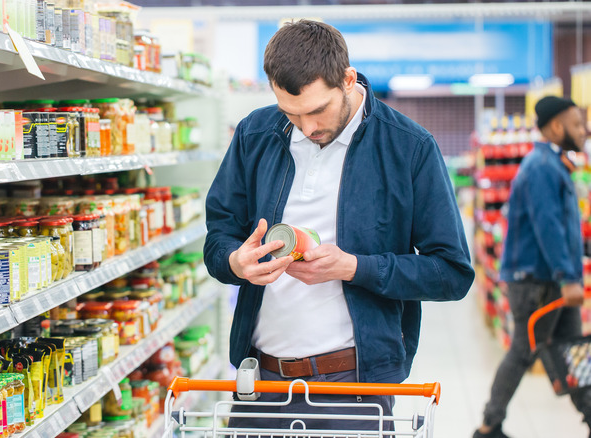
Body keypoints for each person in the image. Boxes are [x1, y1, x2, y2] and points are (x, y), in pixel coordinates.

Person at [203, 20, 475, 432]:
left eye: (316, 111)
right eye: (290, 114)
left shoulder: (409, 147)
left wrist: (353, 267)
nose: (306, 128)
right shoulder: (255, 134)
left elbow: (452, 274)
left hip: (354, 386)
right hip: (260, 383)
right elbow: (218, 237)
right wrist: (236, 262)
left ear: (348, 80)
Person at [473, 96, 590, 438]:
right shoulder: (541, 167)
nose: (584, 130)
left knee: (572, 351)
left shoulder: (553, 163)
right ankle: (488, 426)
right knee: (524, 352)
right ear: (557, 126)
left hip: (550, 280)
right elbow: (548, 226)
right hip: (538, 282)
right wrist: (568, 276)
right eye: (577, 124)